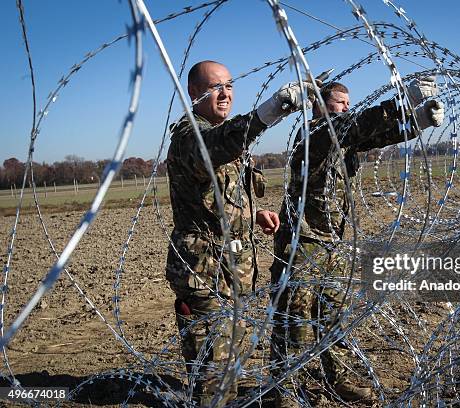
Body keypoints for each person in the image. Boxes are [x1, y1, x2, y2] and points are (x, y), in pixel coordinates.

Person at [270, 77, 444, 407]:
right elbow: (360, 124)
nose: (346, 109)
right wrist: (402, 101)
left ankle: (338, 380)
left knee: (332, 318)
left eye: (348, 104)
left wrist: (418, 121)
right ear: (319, 106)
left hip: (331, 242)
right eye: (339, 103)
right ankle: (284, 394)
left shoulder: (344, 138)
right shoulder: (315, 135)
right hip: (302, 242)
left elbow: (375, 134)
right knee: (294, 323)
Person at [165, 60, 318, 406]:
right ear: (193, 92)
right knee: (212, 377)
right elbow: (217, 146)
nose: (224, 93)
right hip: (205, 274)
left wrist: (253, 216)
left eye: (229, 86)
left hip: (237, 272)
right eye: (214, 86)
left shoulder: (230, 143)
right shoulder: (192, 137)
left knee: (232, 364)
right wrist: (271, 110)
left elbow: (222, 194)